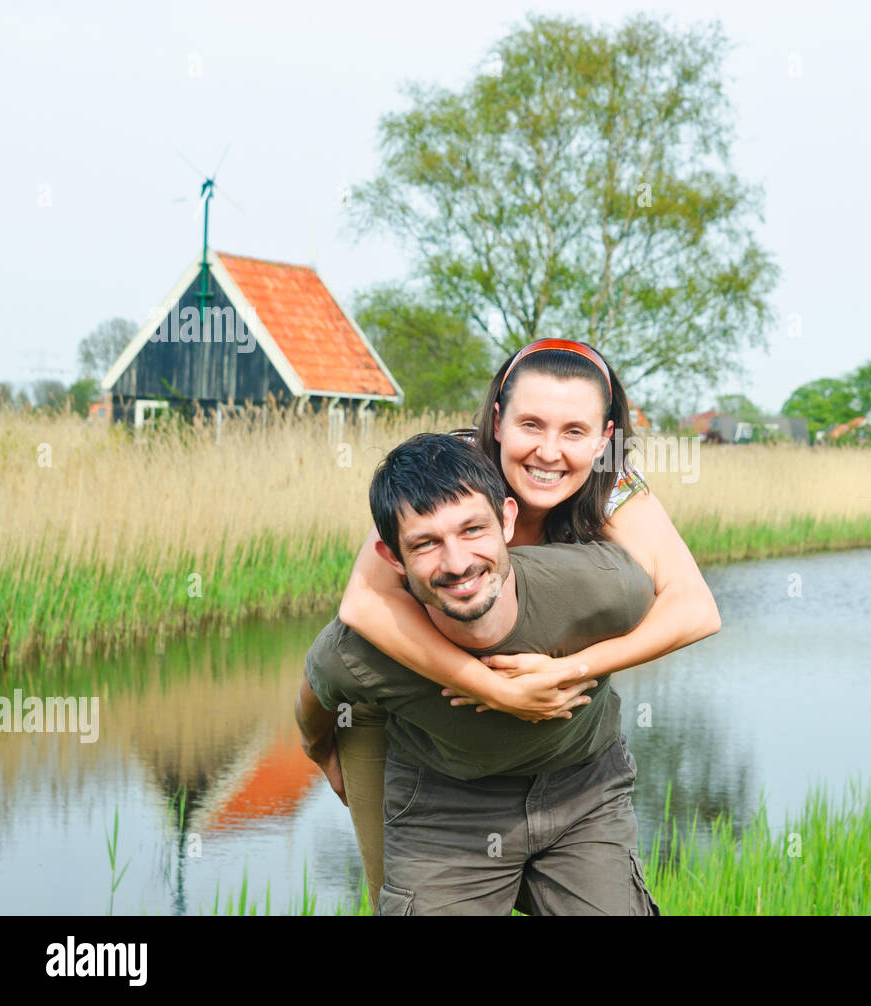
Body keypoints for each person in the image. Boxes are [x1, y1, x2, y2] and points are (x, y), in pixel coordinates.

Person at [330, 338, 720, 901]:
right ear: (496, 421)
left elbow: (694, 607)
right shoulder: (449, 471)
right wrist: (494, 689)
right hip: (443, 777)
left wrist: (564, 673)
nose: (549, 452)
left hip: (576, 776)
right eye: (530, 425)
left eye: (575, 432)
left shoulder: (613, 485)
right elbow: (362, 607)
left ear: (605, 438)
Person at [297, 432, 665, 913]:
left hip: (582, 793)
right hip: (445, 810)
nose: (458, 563)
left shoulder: (599, 586)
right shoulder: (365, 646)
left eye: (472, 530)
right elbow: (316, 696)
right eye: (426, 543)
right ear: (392, 559)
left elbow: (687, 610)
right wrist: (319, 750)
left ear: (508, 520)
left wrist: (577, 666)